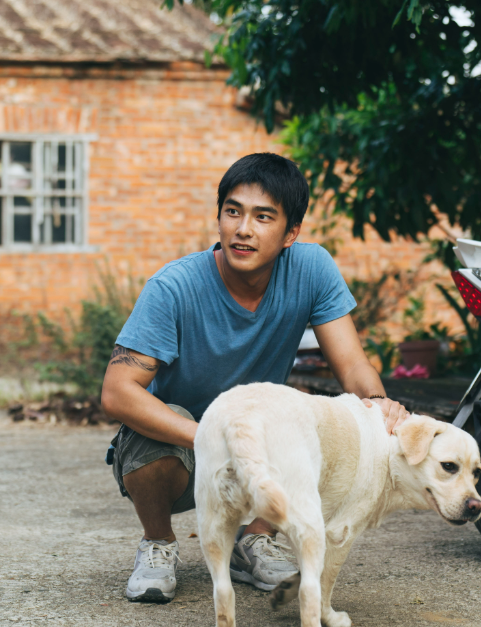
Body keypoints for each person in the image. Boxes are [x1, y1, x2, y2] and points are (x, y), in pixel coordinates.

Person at [100, 152, 409, 603]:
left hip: (262, 444)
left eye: (263, 217)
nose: (243, 229)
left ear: (290, 233)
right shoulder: (173, 287)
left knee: (321, 421)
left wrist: (377, 404)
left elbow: (352, 365)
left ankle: (255, 539)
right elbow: (117, 392)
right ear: (219, 218)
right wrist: (212, 436)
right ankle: (158, 542)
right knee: (151, 428)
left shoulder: (311, 269)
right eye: (233, 212)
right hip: (180, 449)